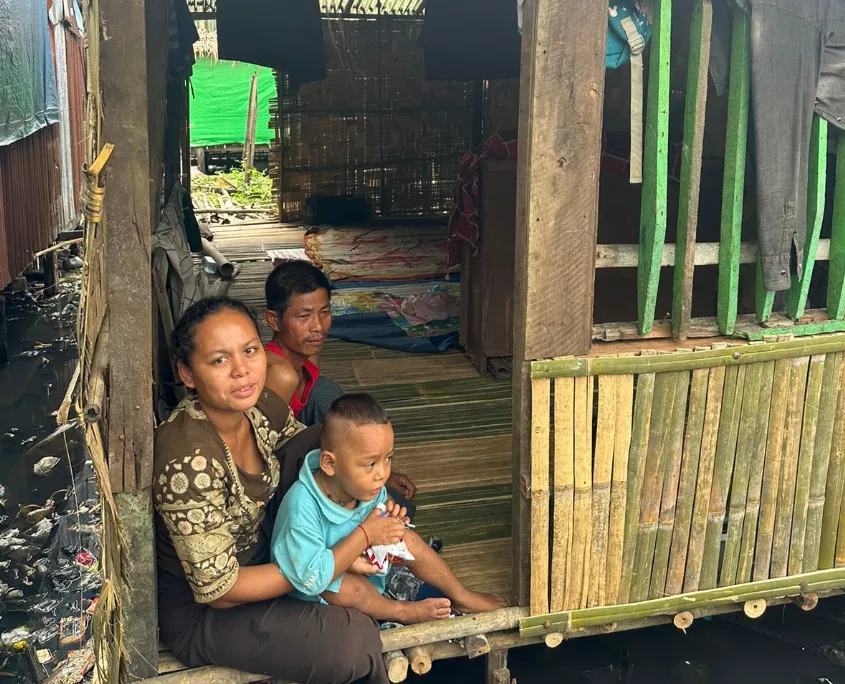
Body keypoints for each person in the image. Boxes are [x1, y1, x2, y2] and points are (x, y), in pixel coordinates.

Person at [153, 296, 390, 684]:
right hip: (210, 611)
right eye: (219, 360)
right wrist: (328, 562)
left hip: (266, 546)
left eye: (249, 351)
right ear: (188, 374)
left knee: (323, 445)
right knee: (352, 642)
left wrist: (374, 479)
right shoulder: (189, 463)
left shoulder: (255, 404)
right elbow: (220, 591)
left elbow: (308, 449)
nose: (242, 371)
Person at [271, 393, 508, 625]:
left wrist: (390, 522)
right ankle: (401, 611)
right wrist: (366, 535)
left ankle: (463, 597)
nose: (383, 473)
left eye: (388, 459)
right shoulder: (302, 505)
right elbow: (311, 579)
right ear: (330, 464)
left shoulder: (364, 488)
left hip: (357, 563)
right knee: (351, 589)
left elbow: (378, 520)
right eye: (370, 463)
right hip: (314, 591)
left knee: (409, 541)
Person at [263, 260, 418, 510]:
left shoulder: (308, 354)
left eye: (324, 312)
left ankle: (365, 472)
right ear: (273, 320)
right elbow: (262, 458)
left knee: (326, 393)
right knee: (396, 508)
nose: (318, 327)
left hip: (306, 452)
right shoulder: (275, 372)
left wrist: (378, 473)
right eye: (304, 316)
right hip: (274, 479)